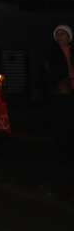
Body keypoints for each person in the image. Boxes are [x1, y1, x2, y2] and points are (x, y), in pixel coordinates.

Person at [43, 24, 74, 162]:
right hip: (60, 91)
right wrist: (58, 82)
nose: (60, 37)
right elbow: (47, 72)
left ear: (69, 36)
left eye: (63, 34)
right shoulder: (51, 53)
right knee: (62, 121)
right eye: (58, 34)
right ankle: (61, 151)